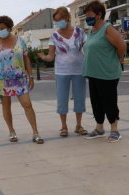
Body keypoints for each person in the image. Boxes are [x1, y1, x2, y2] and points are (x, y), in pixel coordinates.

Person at [0, 15, 44, 144]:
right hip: (2, 81)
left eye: (3, 28)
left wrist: (31, 76)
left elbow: (26, 59)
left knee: (27, 105)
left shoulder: (20, 41)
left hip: (20, 79)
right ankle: (11, 131)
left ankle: (36, 132)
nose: (0, 31)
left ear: (9, 27)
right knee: (6, 106)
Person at [38, 6, 88, 137]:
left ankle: (79, 125)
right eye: (56, 20)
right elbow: (50, 56)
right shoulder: (54, 36)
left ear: (67, 17)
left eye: (60, 19)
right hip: (61, 72)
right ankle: (64, 126)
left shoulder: (80, 32)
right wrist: (43, 57)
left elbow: (87, 49)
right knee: (62, 99)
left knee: (79, 99)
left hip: (79, 71)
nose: (58, 22)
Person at [82, 0, 126, 142]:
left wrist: (120, 58)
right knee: (96, 102)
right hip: (93, 73)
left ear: (99, 14)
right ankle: (99, 128)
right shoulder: (91, 30)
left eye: (89, 14)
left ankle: (115, 130)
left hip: (107, 73)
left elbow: (122, 45)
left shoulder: (107, 28)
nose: (87, 17)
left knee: (109, 101)